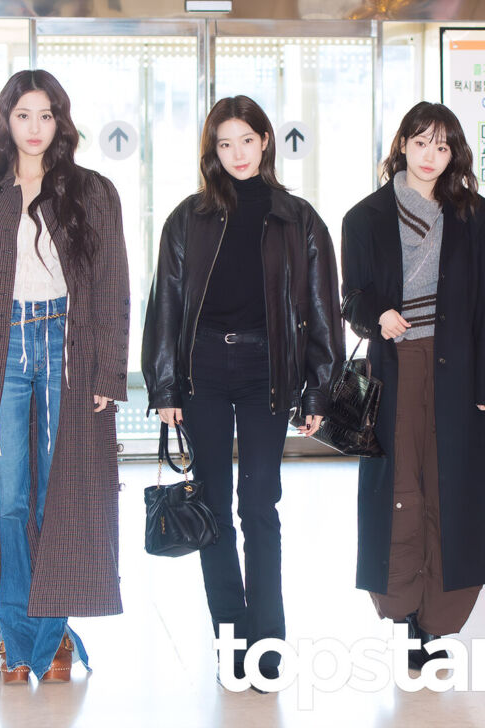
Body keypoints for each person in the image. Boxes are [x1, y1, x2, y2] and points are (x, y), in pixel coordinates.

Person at [0, 70, 129, 684]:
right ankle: (16, 635)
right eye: (23, 115)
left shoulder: (92, 191)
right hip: (0, 345)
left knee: (61, 495)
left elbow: (113, 285)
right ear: (6, 119)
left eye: (46, 115)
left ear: (61, 120)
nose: (35, 127)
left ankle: (50, 636)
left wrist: (108, 372)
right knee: (7, 497)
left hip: (68, 347)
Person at [141, 95, 342, 685]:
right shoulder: (188, 218)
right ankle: (231, 642)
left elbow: (322, 308)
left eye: (247, 140)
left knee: (259, 506)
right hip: (202, 370)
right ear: (213, 149)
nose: (237, 153)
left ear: (265, 141)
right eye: (225, 143)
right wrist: (165, 385)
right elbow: (166, 303)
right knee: (213, 508)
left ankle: (268, 644)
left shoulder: (298, 218)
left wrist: (318, 389)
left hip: (266, 372)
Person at [341, 101, 485, 669]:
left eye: (442, 145)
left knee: (450, 489)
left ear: (454, 152)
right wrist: (377, 314)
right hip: (395, 368)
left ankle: (437, 622)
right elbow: (351, 297)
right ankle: (406, 616)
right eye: (421, 143)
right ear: (402, 146)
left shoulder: (475, 215)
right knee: (399, 485)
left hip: (456, 370)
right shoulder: (364, 217)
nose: (431, 156)